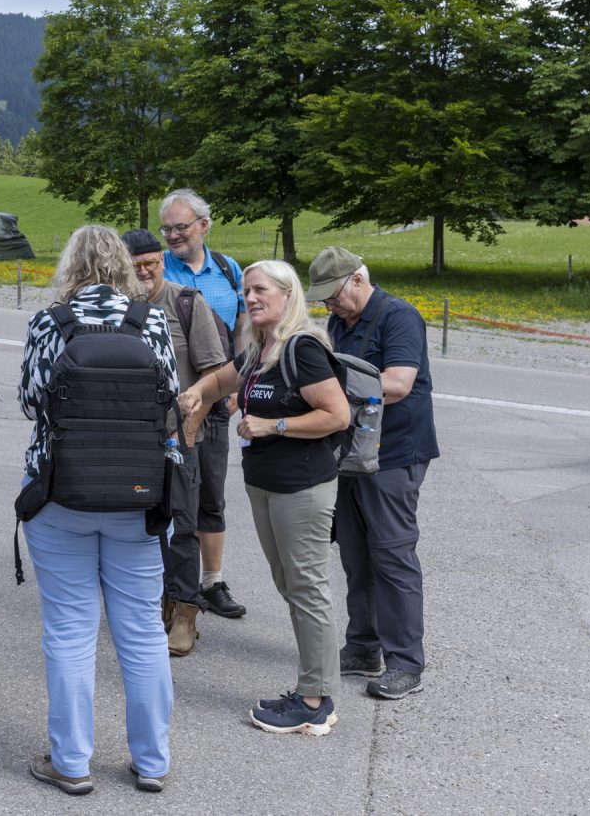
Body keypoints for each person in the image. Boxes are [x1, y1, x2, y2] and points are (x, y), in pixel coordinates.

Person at [20, 225, 177, 795]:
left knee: (69, 630)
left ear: (71, 266)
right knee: (141, 633)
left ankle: (71, 762)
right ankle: (152, 762)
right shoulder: (151, 321)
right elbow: (168, 401)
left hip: (61, 489)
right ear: (124, 267)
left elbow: (31, 401)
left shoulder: (50, 322)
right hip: (139, 495)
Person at [179, 260, 349, 735]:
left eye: (259, 290)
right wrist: (197, 392)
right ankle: (313, 689)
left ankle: (314, 701)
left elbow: (337, 415)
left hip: (303, 486)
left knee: (307, 589)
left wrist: (274, 425)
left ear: (286, 294)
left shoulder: (301, 349)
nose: (250, 298)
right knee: (291, 586)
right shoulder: (260, 349)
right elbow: (220, 380)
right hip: (267, 484)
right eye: (245, 291)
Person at [306, 246, 439, 700]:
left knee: (392, 555)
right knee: (356, 555)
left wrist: (327, 385)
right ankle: (363, 646)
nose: (329, 306)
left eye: (333, 296)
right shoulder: (339, 323)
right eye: (323, 300)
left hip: (395, 455)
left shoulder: (399, 316)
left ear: (358, 281)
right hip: (351, 455)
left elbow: (399, 384)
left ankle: (406, 663)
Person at [121, 228, 227, 657]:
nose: (145, 272)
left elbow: (215, 374)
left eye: (152, 263)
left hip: (180, 436)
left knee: (182, 525)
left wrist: (186, 430)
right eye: (136, 266)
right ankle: (149, 604)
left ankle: (185, 612)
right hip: (130, 440)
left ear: (162, 261)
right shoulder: (117, 307)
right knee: (136, 525)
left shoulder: (186, 303)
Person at [158, 188, 248, 619]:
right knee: (172, 498)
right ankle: (170, 584)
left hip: (217, 404)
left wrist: (237, 389)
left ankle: (211, 581)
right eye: (168, 228)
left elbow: (246, 332)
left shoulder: (230, 272)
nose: (173, 235)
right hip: (170, 404)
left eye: (181, 227)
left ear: (204, 225)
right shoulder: (155, 271)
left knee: (211, 493)